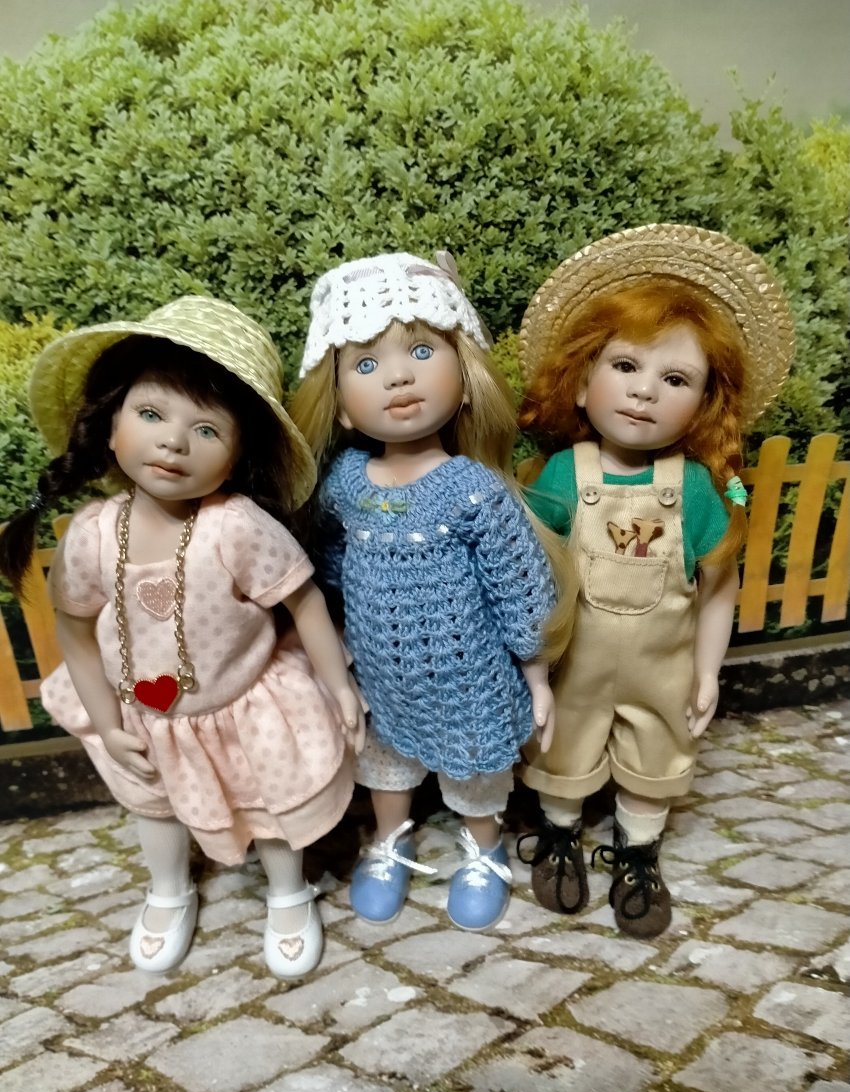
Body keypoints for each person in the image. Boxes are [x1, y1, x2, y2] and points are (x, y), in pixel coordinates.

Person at [0, 296, 365, 977]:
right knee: (155, 807)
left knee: (272, 805)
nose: (173, 442)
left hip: (245, 707)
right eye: (150, 414)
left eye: (205, 429)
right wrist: (106, 723)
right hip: (141, 714)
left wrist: (338, 685)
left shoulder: (236, 526)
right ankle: (169, 889)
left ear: (237, 454)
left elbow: (305, 600)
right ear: (111, 426)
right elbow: (75, 633)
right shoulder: (93, 535)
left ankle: (288, 891)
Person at [515, 224, 794, 937]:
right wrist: (532, 668)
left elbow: (719, 586)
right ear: (582, 382)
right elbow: (529, 575)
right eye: (625, 366)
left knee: (657, 754)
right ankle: (559, 832)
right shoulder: (562, 475)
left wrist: (706, 671)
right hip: (573, 663)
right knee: (561, 746)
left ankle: (638, 850)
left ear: (703, 404)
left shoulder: (694, 488)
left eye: (675, 380)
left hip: (662, 668)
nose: (644, 392)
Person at [290, 252, 569, 931]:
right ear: (342, 407)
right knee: (385, 766)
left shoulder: (472, 489)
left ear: (466, 380)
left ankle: (484, 846)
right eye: (366, 365)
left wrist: (536, 673)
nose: (399, 376)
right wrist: (338, 642)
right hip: (381, 675)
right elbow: (331, 566)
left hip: (468, 677)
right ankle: (391, 839)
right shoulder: (346, 483)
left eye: (421, 352)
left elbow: (519, 585)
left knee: (475, 773)